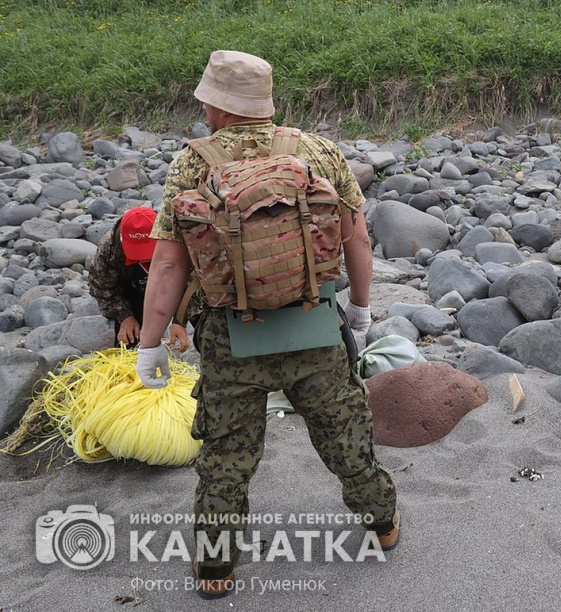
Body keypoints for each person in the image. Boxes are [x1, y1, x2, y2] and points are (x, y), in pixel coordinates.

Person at [135, 50, 398, 598]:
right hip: (315, 327)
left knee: (227, 458)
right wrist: (361, 310)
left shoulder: (192, 164)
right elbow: (356, 236)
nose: (204, 106)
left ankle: (215, 570)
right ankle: (382, 522)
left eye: (207, 98)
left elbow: (168, 262)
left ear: (221, 107)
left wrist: (151, 344)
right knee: (345, 437)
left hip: (232, 337)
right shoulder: (317, 151)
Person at [89, 206, 190, 351]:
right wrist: (124, 316)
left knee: (206, 322)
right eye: (137, 250)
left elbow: (196, 284)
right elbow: (101, 288)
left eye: (146, 249)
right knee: (129, 340)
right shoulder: (110, 247)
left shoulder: (179, 241)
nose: (143, 257)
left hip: (175, 282)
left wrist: (180, 321)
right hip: (134, 289)